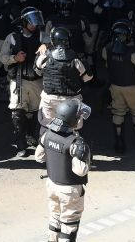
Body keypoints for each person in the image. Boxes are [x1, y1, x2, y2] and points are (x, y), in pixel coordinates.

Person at [35, 99, 92, 242]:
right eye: (78, 117)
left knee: (55, 219)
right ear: (73, 119)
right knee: (69, 225)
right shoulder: (74, 142)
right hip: (69, 190)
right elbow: (80, 171)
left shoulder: (47, 134)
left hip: (51, 184)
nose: (79, 119)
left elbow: (39, 157)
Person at [1, 7, 47, 158]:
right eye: (31, 21)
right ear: (24, 22)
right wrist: (14, 59)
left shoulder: (42, 36)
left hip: (37, 81)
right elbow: (2, 57)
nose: (34, 25)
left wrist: (47, 46)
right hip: (19, 81)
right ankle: (20, 144)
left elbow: (56, 51)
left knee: (35, 113)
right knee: (18, 112)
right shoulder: (13, 37)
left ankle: (30, 136)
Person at [100, 20, 135, 154]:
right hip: (133, 87)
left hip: (115, 87)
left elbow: (106, 65)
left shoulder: (107, 48)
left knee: (118, 113)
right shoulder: (133, 52)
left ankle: (119, 143)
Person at [36, 27, 93, 132]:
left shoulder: (45, 57)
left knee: (46, 128)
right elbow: (88, 77)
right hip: (71, 101)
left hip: (49, 100)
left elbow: (38, 71)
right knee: (73, 130)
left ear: (53, 40)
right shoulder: (76, 58)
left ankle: (45, 146)